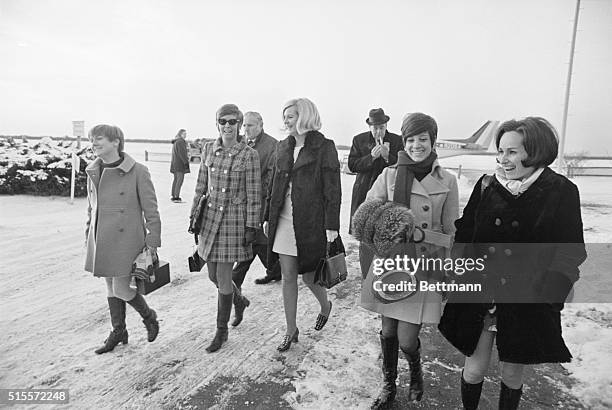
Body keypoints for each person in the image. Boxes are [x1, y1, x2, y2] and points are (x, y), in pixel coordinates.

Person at [438, 117, 587, 410]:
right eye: (501, 151)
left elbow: (571, 251)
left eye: (512, 152)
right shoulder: (486, 186)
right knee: (474, 369)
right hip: (481, 295)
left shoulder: (561, 191)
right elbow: (466, 233)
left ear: (536, 151)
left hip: (525, 300)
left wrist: (553, 290)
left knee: (511, 372)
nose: (502, 160)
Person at [362, 113, 459, 408]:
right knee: (388, 330)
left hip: (424, 264)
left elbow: (452, 229)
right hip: (392, 262)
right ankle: (388, 385)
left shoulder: (448, 180)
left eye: (423, 139)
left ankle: (415, 372)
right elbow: (368, 212)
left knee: (406, 338)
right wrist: (391, 225)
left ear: (432, 141)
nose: (417, 145)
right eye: (411, 140)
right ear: (404, 142)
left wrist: (443, 262)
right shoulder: (390, 175)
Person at [263, 98, 341, 352]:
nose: (286, 122)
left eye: (291, 116)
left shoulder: (324, 147)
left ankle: (325, 305)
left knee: (309, 276)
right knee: (287, 277)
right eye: (284, 117)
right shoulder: (282, 147)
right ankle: (290, 329)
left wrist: (332, 225)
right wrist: (268, 216)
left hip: (310, 221)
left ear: (305, 116)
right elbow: (273, 185)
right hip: (284, 220)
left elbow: (333, 189)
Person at [190, 104, 261, 353]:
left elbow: (254, 195)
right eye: (223, 121)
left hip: (233, 221)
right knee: (212, 276)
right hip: (209, 220)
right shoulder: (209, 148)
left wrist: (252, 226)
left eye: (233, 121)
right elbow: (200, 186)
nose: (228, 126)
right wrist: (193, 218)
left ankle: (221, 331)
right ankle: (239, 301)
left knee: (222, 278)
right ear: (217, 124)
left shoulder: (249, 155)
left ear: (240, 124)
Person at [84, 124, 161, 355]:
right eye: (92, 140)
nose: (94, 144)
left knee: (121, 289)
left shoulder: (138, 170)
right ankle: (119, 331)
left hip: (126, 240)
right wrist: (88, 235)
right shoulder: (93, 171)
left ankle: (150, 317)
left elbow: (152, 210)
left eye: (99, 139)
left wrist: (153, 241)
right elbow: (91, 209)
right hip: (100, 239)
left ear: (116, 141)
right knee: (109, 286)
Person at [228, 112, 281, 326]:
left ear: (261, 125)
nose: (246, 129)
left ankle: (236, 289)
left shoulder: (272, 146)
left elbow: (272, 178)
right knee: (256, 248)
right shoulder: (240, 144)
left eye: (250, 125)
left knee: (252, 247)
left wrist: (253, 192)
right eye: (245, 126)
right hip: (241, 208)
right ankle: (275, 270)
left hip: (259, 205)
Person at [348, 108, 403, 235]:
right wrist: (371, 158)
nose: (379, 132)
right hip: (364, 189)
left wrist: (387, 156)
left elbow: (402, 166)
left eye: (381, 128)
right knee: (362, 229)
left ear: (386, 126)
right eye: (375, 128)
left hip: (387, 191)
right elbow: (352, 165)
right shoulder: (359, 140)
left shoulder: (397, 140)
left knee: (385, 231)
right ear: (369, 127)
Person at [170, 128, 190, 202]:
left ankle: (173, 195)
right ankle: (176, 197)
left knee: (176, 180)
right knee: (179, 181)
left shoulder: (176, 141)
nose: (185, 135)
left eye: (186, 134)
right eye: (184, 134)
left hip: (175, 164)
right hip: (179, 164)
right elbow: (182, 154)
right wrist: (186, 163)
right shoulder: (181, 142)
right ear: (180, 134)